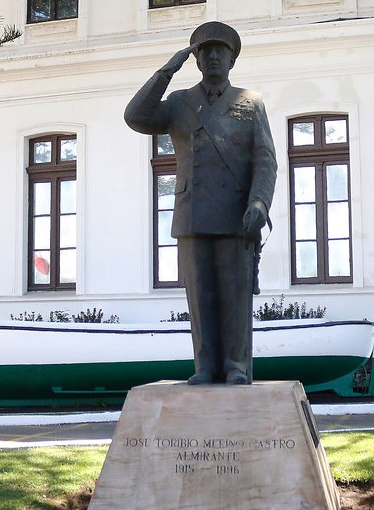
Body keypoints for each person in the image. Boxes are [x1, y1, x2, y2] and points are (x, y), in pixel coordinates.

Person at [124, 21, 277, 385]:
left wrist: (259, 201)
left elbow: (265, 159)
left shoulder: (250, 102)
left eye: (219, 51)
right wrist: (167, 69)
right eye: (204, 51)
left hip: (236, 214)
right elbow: (136, 116)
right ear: (195, 59)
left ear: (231, 59)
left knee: (235, 297)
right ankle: (206, 366)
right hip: (192, 213)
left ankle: (236, 366)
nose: (212, 57)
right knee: (201, 296)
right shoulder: (179, 102)